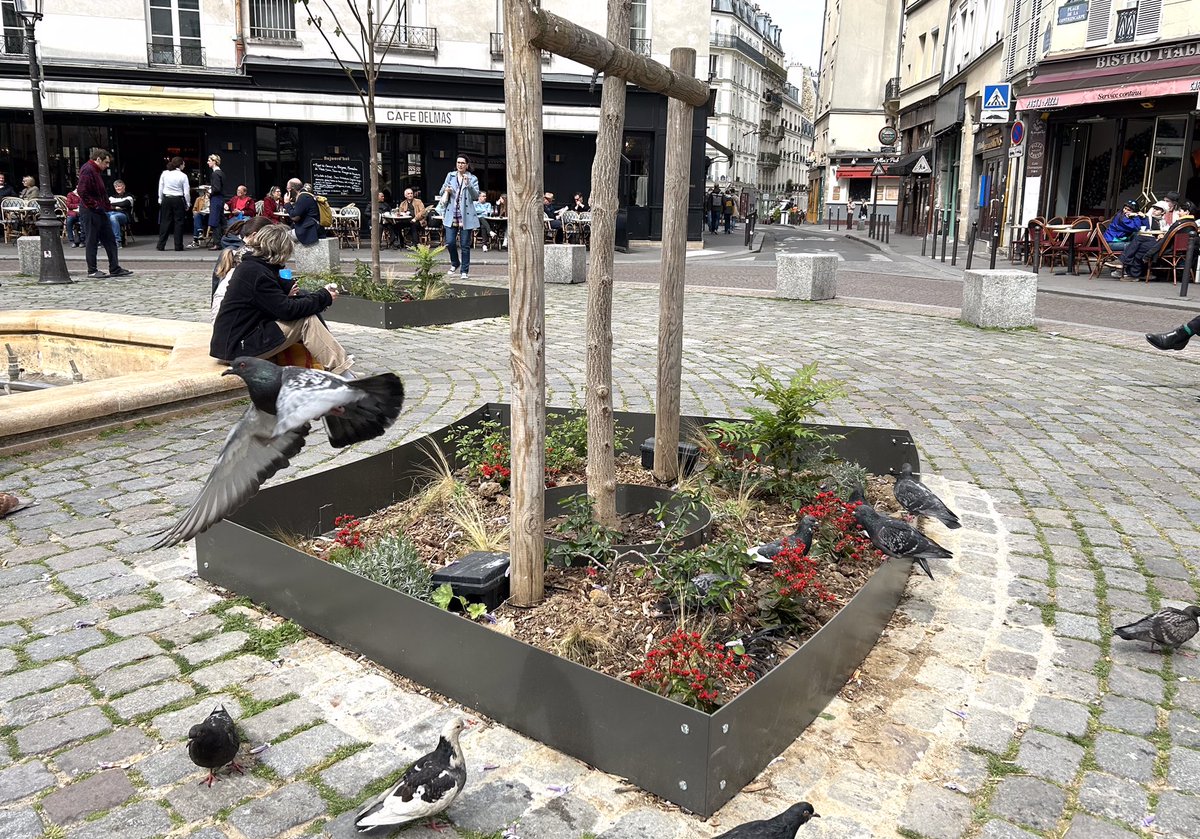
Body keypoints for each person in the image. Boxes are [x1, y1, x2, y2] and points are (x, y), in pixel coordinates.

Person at [210, 225, 352, 374]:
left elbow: (276, 304)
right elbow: (287, 310)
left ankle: (340, 369)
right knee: (306, 321)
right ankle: (343, 372)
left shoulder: (253, 267)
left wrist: (316, 296)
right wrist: (324, 296)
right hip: (237, 347)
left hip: (234, 343)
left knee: (305, 313)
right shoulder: (257, 273)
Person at [77, 148, 132, 279]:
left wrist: (105, 206)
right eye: (106, 162)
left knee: (110, 239)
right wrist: (95, 205)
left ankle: (114, 268)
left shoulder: (93, 170)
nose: (107, 166)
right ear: (98, 159)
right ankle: (92, 270)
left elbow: (98, 192)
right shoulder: (88, 169)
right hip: (91, 211)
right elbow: (82, 191)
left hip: (98, 210)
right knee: (92, 240)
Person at [210, 216, 275, 316]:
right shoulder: (243, 255)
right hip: (232, 314)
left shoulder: (233, 250)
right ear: (255, 235)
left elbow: (216, 286)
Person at [440, 155, 481, 278]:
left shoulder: (473, 178)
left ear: (467, 165)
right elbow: (441, 192)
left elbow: (476, 196)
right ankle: (455, 263)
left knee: (465, 245)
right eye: (458, 162)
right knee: (450, 242)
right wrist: (446, 190)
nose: (460, 165)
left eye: (463, 163)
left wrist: (468, 184)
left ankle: (464, 271)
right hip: (451, 214)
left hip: (465, 215)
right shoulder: (450, 176)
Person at [1116, 201, 1168, 280]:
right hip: (1149, 241)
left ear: (1163, 212)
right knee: (1140, 249)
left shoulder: (1163, 221)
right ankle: (1137, 274)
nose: (1154, 210)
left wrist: (1161, 235)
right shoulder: (1148, 218)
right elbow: (1141, 227)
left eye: (1157, 209)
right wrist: (1140, 216)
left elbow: (1165, 231)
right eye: (1154, 208)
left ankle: (1124, 263)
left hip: (1157, 244)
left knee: (1139, 241)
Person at [1102, 199, 1148, 279]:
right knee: (1136, 247)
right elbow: (1137, 228)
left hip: (1119, 241)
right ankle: (1125, 270)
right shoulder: (1121, 218)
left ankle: (1123, 269)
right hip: (1111, 243)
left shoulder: (1130, 217)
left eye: (1129, 210)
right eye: (1125, 208)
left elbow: (1146, 228)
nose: (1125, 211)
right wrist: (1136, 216)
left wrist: (1144, 217)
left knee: (1138, 242)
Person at [156, 156, 190, 251]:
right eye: (183, 164)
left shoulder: (165, 173)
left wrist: (160, 199)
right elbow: (186, 192)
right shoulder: (183, 176)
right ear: (180, 165)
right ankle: (178, 246)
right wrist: (187, 203)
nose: (184, 165)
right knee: (179, 223)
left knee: (165, 222)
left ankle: (161, 245)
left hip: (166, 198)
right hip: (178, 199)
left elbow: (160, 187)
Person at [284, 178, 322, 245]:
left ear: (292, 189)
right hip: (309, 228)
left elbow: (294, 215)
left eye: (288, 189)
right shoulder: (305, 195)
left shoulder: (303, 197)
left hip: (309, 231)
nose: (287, 192)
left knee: (282, 237)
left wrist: (287, 203)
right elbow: (297, 217)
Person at [206, 153, 226, 250]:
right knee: (221, 220)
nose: (208, 162)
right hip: (220, 199)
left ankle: (217, 243)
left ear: (214, 162)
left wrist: (210, 191)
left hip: (216, 199)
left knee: (215, 221)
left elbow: (217, 188)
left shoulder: (215, 174)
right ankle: (223, 241)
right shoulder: (221, 173)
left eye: (209, 161)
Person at [108, 180, 135, 245]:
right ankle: (102, 241)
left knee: (113, 217)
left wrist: (112, 205)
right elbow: (107, 205)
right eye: (116, 187)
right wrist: (115, 207)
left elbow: (124, 204)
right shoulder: (112, 197)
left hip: (124, 215)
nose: (118, 188)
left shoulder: (129, 196)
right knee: (100, 216)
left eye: (119, 186)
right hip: (111, 213)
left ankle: (117, 241)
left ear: (124, 186)